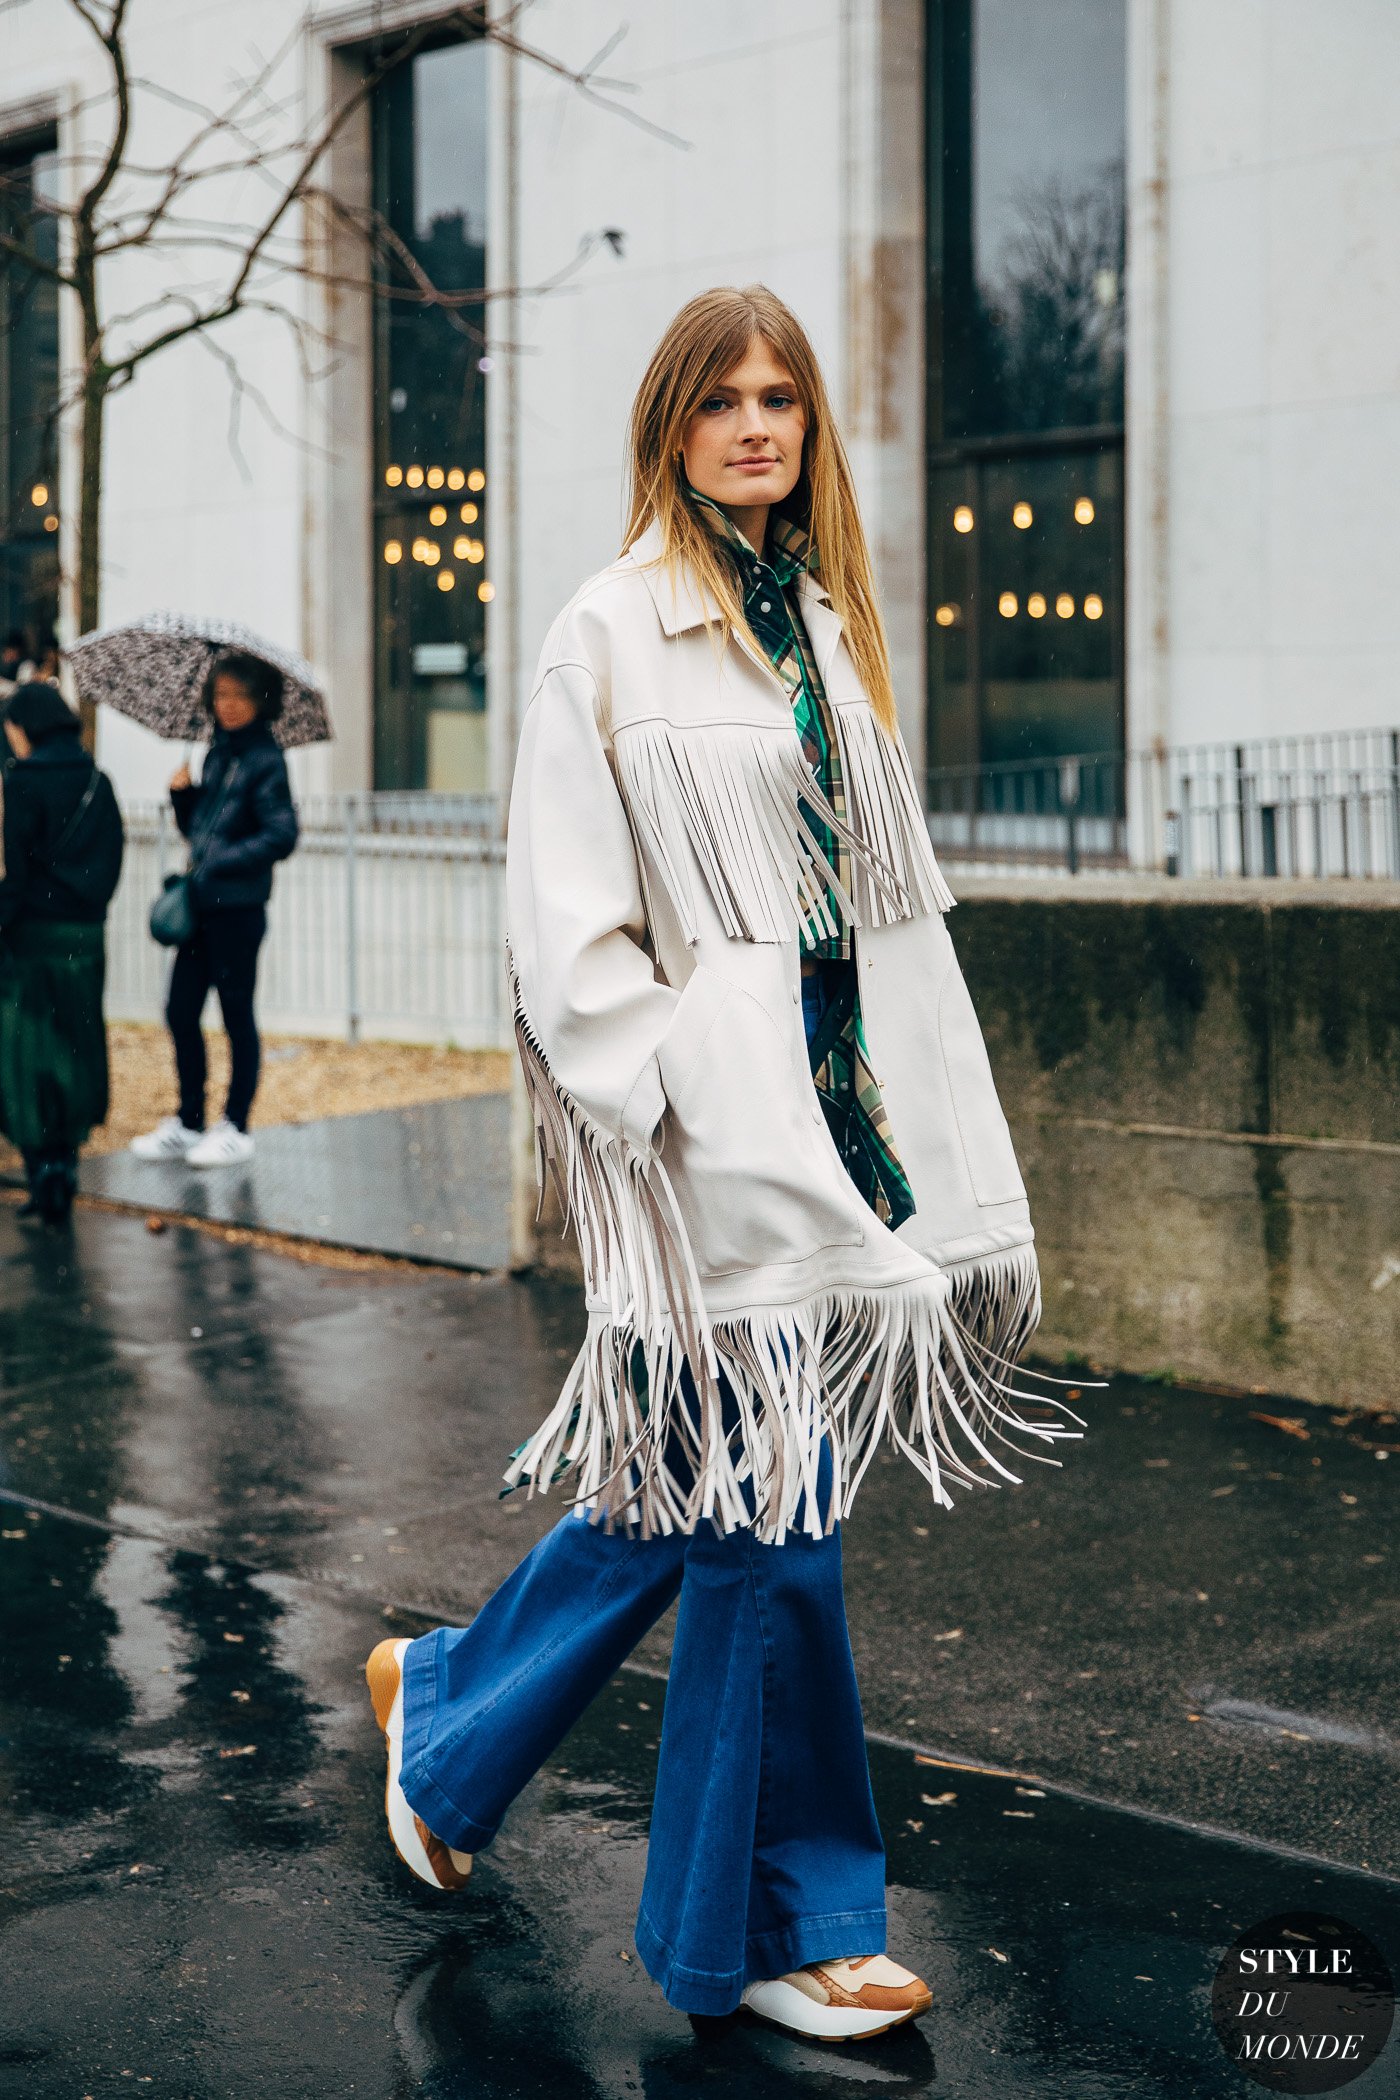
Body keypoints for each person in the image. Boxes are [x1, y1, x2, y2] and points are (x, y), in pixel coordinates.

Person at [365, 287, 1083, 2044]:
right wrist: (689, 1086)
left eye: (784, 400)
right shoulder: (607, 634)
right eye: (722, 402)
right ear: (670, 427)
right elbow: (565, 939)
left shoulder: (824, 630)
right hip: (707, 1163)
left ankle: (445, 1711)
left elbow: (878, 927)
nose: (757, 426)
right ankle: (777, 1927)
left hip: (839, 1146)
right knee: (777, 1530)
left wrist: (912, 1129)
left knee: (695, 1508)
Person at [130, 650, 297, 1168]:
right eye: (220, 694)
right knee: (180, 1011)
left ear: (258, 701)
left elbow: (282, 833)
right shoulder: (217, 755)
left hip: (239, 909)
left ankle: (236, 1126)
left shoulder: (266, 759)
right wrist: (183, 799)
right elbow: (199, 832)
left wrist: (224, 857)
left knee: (235, 1015)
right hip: (203, 906)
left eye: (238, 696)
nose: (227, 705)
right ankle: (188, 1119)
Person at [0, 682, 124, 1225]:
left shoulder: (19, 784)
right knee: (76, 1049)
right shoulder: (99, 782)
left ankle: (41, 1172)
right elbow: (113, 862)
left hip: (30, 941)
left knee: (26, 1059)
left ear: (25, 727)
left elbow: (12, 872)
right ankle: (66, 1167)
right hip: (84, 938)